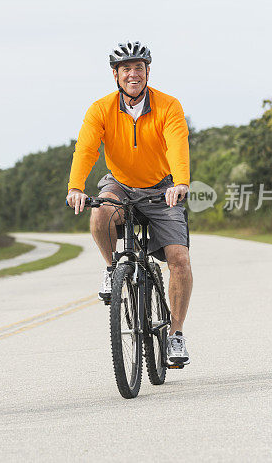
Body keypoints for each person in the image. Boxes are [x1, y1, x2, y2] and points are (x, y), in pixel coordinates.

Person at [65, 42, 193, 366]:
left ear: (148, 71)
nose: (133, 74)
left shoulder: (168, 106)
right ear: (115, 75)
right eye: (126, 69)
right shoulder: (100, 109)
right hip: (120, 183)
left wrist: (180, 183)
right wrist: (76, 187)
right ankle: (112, 270)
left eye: (139, 67)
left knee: (179, 258)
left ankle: (176, 335)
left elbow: (178, 145)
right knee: (101, 213)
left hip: (162, 187)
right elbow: (86, 149)